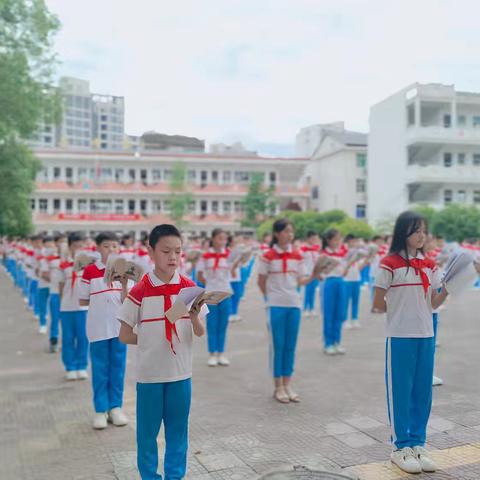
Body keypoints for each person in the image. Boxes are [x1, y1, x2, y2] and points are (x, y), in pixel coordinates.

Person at [118, 224, 207, 480]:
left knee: (178, 432)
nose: (172, 257)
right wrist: (149, 340)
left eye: (178, 251)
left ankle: (175, 477)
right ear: (151, 251)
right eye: (166, 251)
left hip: (181, 374)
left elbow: (200, 332)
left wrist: (194, 317)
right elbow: (124, 334)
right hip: (150, 377)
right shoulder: (140, 291)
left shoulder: (190, 289)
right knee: (147, 434)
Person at [372, 211, 448, 474]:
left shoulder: (430, 264)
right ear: (403, 232)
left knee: (422, 392)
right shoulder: (389, 263)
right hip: (400, 335)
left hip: (426, 334)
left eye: (423, 231)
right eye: (417, 230)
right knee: (400, 392)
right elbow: (377, 304)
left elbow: (435, 303)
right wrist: (400, 306)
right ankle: (400, 446)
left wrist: (448, 287)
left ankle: (418, 442)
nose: (421, 235)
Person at [79, 232, 131, 430]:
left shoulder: (124, 271)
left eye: (115, 246)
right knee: (100, 369)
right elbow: (83, 299)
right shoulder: (90, 271)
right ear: (98, 248)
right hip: (98, 327)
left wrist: (124, 284)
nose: (111, 250)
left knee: (118, 368)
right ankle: (100, 410)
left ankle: (115, 407)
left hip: (119, 327)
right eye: (107, 246)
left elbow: (127, 301)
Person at [257, 218, 313, 403]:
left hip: (294, 305)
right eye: (286, 231)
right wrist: (271, 298)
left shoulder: (299, 255)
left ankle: (288, 384)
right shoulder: (267, 256)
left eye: (291, 231)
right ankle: (278, 386)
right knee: (277, 346)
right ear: (276, 233)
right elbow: (261, 281)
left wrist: (315, 274)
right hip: (275, 306)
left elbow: (301, 281)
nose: (290, 234)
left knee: (290, 346)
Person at [197, 228, 240, 367]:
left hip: (226, 293)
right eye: (220, 238)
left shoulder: (230, 256)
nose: (223, 241)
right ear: (213, 239)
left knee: (223, 324)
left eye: (225, 239)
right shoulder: (205, 256)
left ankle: (221, 353)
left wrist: (234, 266)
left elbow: (233, 275)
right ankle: (212, 354)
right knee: (212, 324)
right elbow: (199, 276)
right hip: (211, 295)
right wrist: (210, 286)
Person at [58, 232, 90, 381]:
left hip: (83, 308)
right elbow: (61, 285)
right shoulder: (64, 264)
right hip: (67, 307)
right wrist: (63, 301)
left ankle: (82, 366)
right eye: (76, 246)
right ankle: (70, 367)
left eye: (81, 246)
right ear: (70, 247)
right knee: (68, 338)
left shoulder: (89, 266)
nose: (79, 249)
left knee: (83, 338)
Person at [320, 229, 348, 355]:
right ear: (329, 240)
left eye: (340, 238)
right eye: (336, 239)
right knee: (329, 313)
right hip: (329, 282)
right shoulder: (324, 253)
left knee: (340, 313)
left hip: (341, 282)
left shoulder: (342, 252)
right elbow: (320, 272)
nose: (338, 241)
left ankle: (337, 341)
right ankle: (328, 343)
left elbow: (344, 269)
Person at [301, 231, 321, 318]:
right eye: (314, 239)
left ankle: (312, 308)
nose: (315, 240)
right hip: (307, 273)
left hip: (315, 273)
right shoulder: (303, 249)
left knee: (312, 291)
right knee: (307, 291)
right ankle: (305, 309)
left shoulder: (316, 249)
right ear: (309, 238)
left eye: (316, 239)